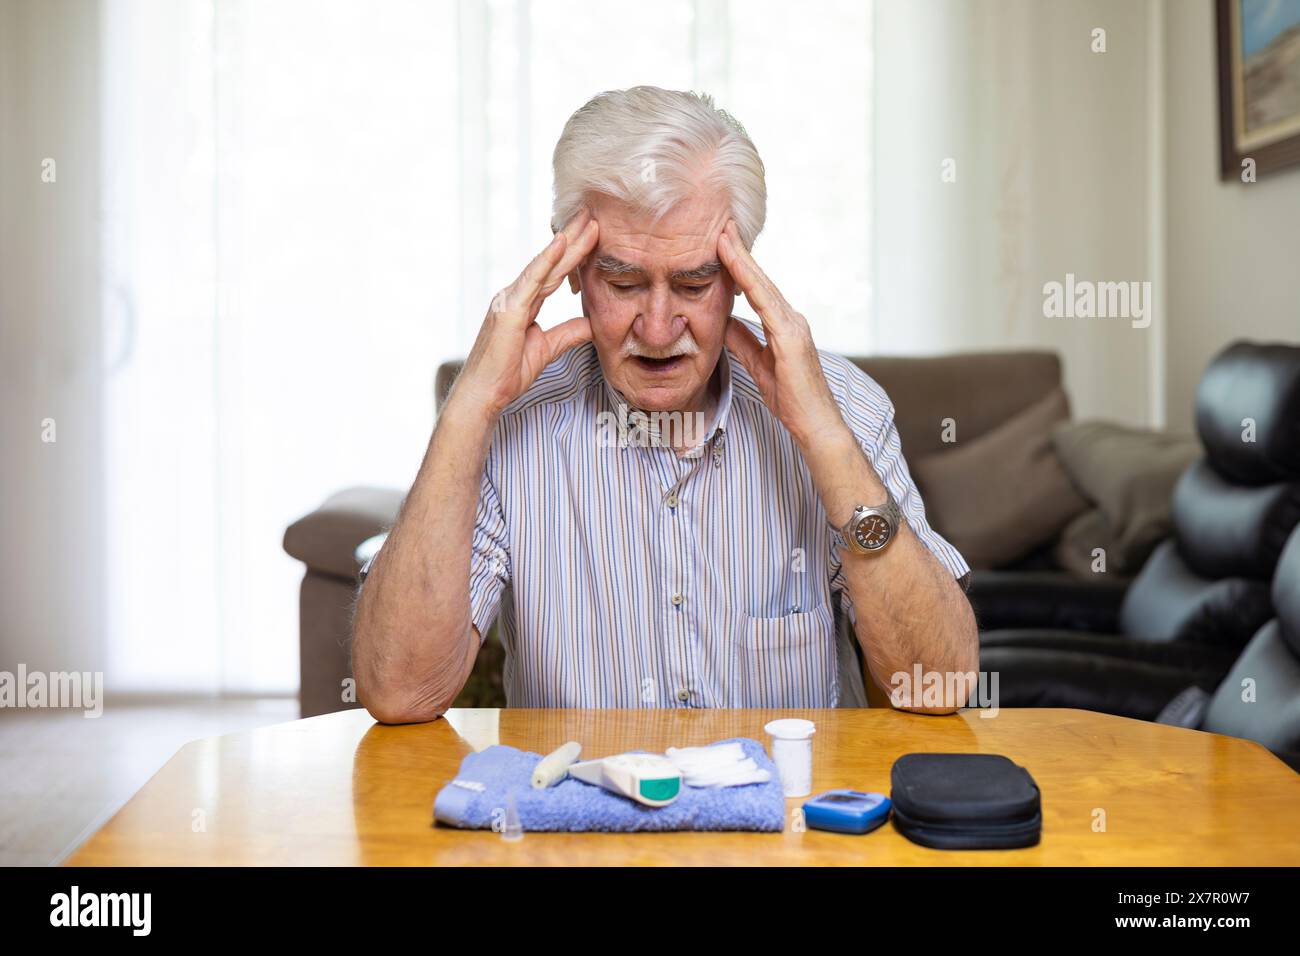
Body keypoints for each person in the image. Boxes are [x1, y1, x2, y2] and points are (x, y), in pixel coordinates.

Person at [353, 86, 976, 722]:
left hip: (789, 818)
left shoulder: (840, 406)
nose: (656, 328)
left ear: (740, 274)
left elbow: (937, 685)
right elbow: (402, 693)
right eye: (623, 282)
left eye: (694, 282)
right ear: (568, 268)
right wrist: (467, 411)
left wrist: (822, 436)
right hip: (571, 814)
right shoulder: (509, 421)